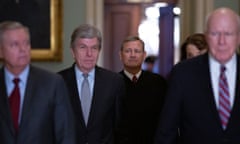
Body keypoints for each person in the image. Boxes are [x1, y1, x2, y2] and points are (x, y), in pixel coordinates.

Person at [154, 7, 240, 144]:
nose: (222, 41)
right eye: (215, 33)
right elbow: (166, 132)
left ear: (238, 37)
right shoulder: (182, 73)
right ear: (207, 36)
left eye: (228, 34)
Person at [0, 21, 75, 144]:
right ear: (1, 51)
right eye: (15, 44)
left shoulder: (53, 84)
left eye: (26, 43)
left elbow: (66, 136)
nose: (23, 49)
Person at [58, 24, 126, 144]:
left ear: (99, 51)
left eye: (94, 48)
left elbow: (120, 128)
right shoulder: (57, 82)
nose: (89, 54)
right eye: (83, 47)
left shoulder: (115, 82)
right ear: (73, 51)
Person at [118, 35, 167, 144]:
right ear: (120, 55)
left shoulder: (158, 82)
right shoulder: (112, 84)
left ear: (144, 55)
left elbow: (165, 118)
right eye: (128, 51)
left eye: (137, 51)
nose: (133, 55)